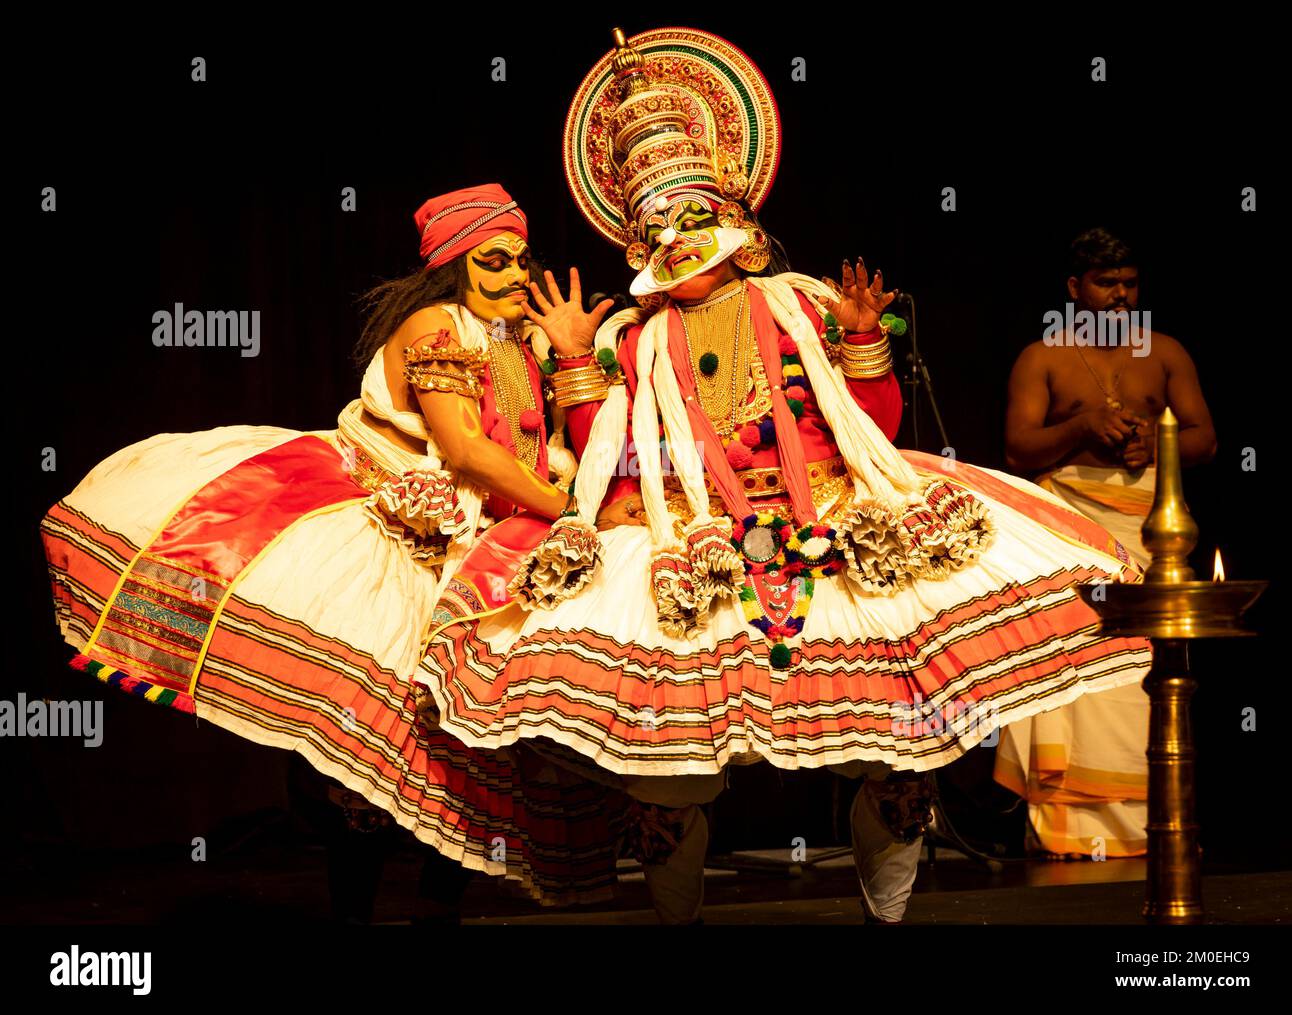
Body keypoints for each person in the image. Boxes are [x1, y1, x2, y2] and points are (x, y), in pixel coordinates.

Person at [416, 29, 1153, 924]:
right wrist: (576, 363)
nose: (677, 240)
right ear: (638, 244)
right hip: (690, 538)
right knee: (674, 759)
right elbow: (608, 452)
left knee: (894, 742)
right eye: (657, 228)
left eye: (692, 218)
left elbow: (868, 428)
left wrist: (862, 345)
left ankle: (889, 901)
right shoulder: (633, 338)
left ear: (737, 228)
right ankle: (675, 903)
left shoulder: (799, 304)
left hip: (831, 527)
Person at [40, 183, 629, 918]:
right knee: (371, 762)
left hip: (492, 550)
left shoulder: (508, 340)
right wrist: (570, 510)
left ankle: (437, 911)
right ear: (454, 264)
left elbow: (571, 438)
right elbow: (467, 451)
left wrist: (573, 355)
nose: (517, 275)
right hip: (400, 549)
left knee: (489, 750)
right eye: (496, 260)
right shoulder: (434, 327)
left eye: (521, 258)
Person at [995, 226, 1216, 858]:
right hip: (1069, 530)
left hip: (1146, 530)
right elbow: (1016, 449)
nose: (1120, 296)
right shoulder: (1043, 357)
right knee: (1079, 666)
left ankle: (1154, 826)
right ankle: (1068, 833)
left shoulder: (1165, 352)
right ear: (1074, 288)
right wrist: (1082, 425)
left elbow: (1207, 440)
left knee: (1139, 673)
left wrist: (1157, 438)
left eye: (1129, 284)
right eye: (1106, 283)